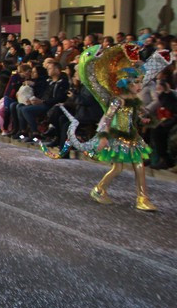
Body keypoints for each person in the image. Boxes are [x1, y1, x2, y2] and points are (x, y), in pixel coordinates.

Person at [60, 45, 168, 211]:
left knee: (138, 165)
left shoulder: (134, 100)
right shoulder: (118, 100)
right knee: (118, 168)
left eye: (140, 82)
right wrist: (103, 136)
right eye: (136, 82)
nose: (140, 86)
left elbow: (137, 115)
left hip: (132, 136)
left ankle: (141, 198)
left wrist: (144, 118)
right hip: (118, 137)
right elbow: (107, 119)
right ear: (126, 83)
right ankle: (100, 189)